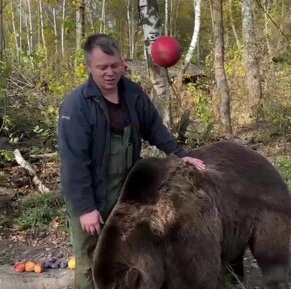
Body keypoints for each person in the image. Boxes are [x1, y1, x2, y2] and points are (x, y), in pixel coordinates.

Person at [57, 33, 205, 289]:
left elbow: (155, 130)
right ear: (89, 67)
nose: (109, 72)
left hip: (125, 191)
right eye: (102, 67)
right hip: (90, 193)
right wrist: (85, 208)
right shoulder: (76, 107)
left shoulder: (133, 95)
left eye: (115, 66)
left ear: (122, 63)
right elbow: (73, 163)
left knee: (123, 251)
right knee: (90, 261)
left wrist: (181, 155)